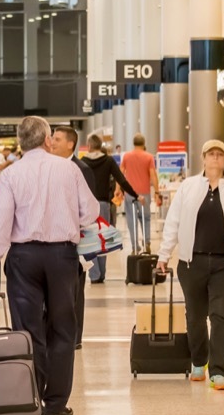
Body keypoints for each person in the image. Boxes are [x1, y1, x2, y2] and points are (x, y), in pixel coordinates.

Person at [0, 117, 98, 415]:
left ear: (20, 142)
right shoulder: (69, 169)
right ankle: (56, 404)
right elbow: (91, 212)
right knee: (62, 328)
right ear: (47, 139)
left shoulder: (11, 174)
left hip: (23, 258)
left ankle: (30, 397)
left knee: (28, 330)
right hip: (62, 257)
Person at [155, 140, 224, 392]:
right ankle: (199, 361)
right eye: (211, 154)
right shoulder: (188, 187)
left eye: (220, 155)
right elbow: (173, 223)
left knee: (221, 314)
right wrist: (164, 255)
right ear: (203, 158)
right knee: (196, 316)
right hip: (192, 262)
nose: (215, 159)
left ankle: (218, 371)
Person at [51, 126, 96, 349]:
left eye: (57, 139)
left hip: (77, 239)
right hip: (55, 240)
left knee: (76, 289)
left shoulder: (82, 169)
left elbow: (88, 208)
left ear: (70, 144)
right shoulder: (52, 167)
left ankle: (75, 337)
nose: (52, 142)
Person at [81, 134, 138, 283]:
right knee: (102, 239)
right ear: (101, 146)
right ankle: (102, 274)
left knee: (89, 240)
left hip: (87, 206)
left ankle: (94, 275)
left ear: (89, 146)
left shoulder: (82, 163)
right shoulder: (108, 161)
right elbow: (121, 180)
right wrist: (135, 195)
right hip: (103, 205)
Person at [120, 134, 163, 254]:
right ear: (144, 144)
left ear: (133, 143)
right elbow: (153, 175)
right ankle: (147, 241)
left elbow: (120, 173)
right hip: (144, 193)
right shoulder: (149, 157)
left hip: (130, 193)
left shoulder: (127, 156)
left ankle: (135, 246)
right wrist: (157, 191)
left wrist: (118, 189)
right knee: (146, 218)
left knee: (131, 218)